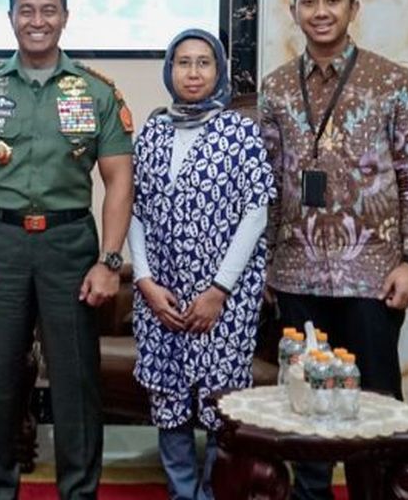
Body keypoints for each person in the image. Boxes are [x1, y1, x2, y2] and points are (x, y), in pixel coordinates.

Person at [0, 0, 135, 500]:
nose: (37, 21)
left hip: (70, 244)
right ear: (10, 18)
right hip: (0, 245)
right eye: (26, 10)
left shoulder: (96, 92)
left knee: (76, 383)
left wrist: (109, 261)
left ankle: (79, 492)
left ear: (65, 18)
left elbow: (119, 180)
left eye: (48, 10)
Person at [260, 0, 408, 499]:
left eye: (332, 1)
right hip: (296, 273)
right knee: (303, 402)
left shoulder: (391, 81)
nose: (321, 12)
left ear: (353, 8)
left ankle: (378, 493)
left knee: (377, 405)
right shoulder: (276, 88)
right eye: (309, 2)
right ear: (294, 12)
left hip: (372, 274)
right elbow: (265, 183)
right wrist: (265, 264)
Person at [128, 29, 275, 500]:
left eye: (204, 63)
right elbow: (135, 209)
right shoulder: (153, 130)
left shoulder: (240, 131)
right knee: (169, 400)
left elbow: (256, 212)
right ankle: (182, 492)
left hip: (223, 297)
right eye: (183, 62)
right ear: (169, 71)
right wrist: (145, 280)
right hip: (162, 294)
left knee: (220, 401)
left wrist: (218, 290)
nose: (193, 73)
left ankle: (216, 492)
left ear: (219, 72)